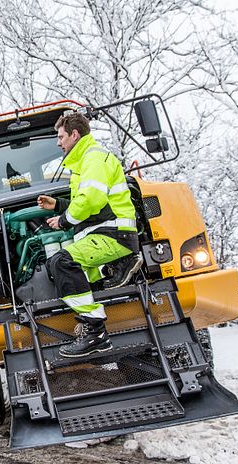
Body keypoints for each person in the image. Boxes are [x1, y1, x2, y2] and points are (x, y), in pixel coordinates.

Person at [37, 112, 142, 358]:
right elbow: (88, 203)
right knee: (75, 271)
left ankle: (96, 333)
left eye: (61, 136)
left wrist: (64, 220)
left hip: (114, 234)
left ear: (75, 134)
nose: (58, 142)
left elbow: (91, 199)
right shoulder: (85, 162)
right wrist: (60, 206)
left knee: (62, 261)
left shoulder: (93, 158)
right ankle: (114, 271)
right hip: (104, 233)